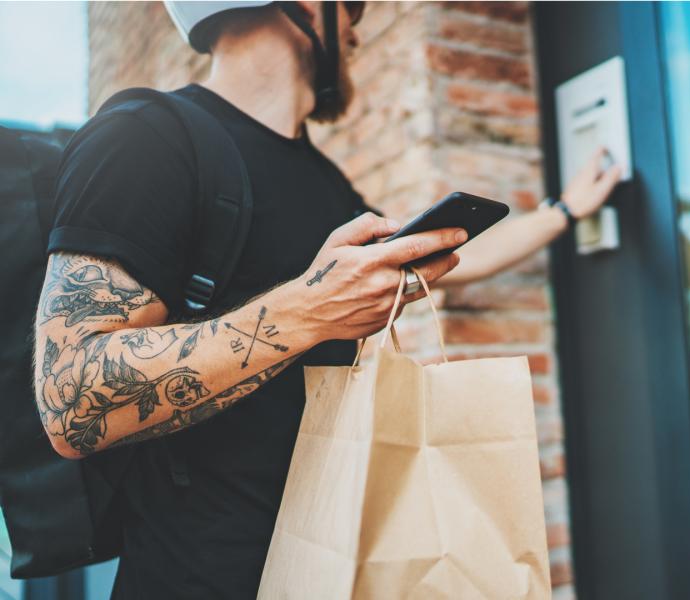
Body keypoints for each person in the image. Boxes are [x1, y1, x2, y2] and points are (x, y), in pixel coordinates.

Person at [33, 1, 620, 597]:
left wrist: (563, 212)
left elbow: (448, 261)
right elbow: (71, 400)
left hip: (333, 569)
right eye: (354, 7)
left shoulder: (326, 184)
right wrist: (310, 310)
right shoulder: (143, 135)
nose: (356, 27)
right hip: (201, 578)